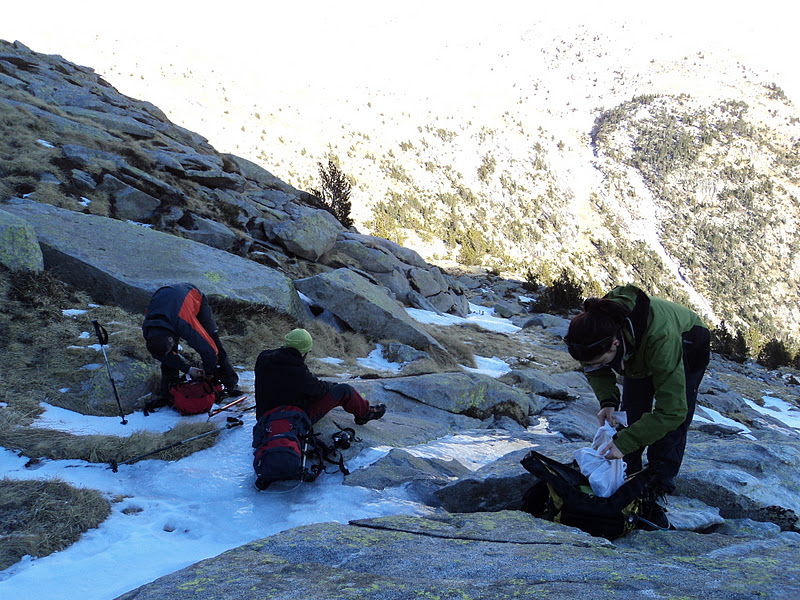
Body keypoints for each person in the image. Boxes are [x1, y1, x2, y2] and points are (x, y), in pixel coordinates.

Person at [564, 284, 710, 526]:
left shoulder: (660, 339)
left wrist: (627, 441)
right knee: (631, 414)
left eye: (600, 361)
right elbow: (594, 367)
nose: (594, 367)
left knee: (672, 419)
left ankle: (658, 483)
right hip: (638, 349)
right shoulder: (593, 331)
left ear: (614, 344)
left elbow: (672, 411)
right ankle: (626, 475)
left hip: (689, 341)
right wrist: (608, 401)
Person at [254, 328, 386, 425]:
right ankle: (365, 413)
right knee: (344, 390)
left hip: (263, 416)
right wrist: (333, 386)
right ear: (304, 352)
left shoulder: (263, 357)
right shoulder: (298, 371)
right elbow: (318, 390)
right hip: (290, 419)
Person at [142, 283, 240, 406]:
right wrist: (189, 370)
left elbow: (209, 351)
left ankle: (231, 384)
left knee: (213, 342)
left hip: (192, 295)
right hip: (167, 300)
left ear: (171, 340)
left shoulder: (184, 323)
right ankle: (168, 393)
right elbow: (164, 356)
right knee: (166, 358)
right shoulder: (149, 332)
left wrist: (208, 373)